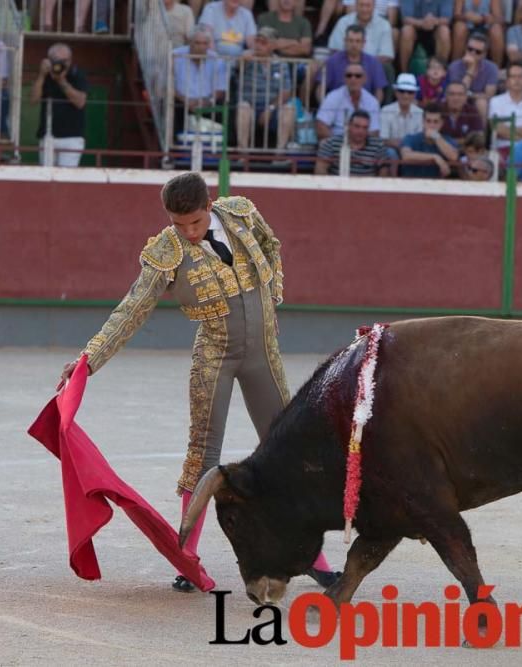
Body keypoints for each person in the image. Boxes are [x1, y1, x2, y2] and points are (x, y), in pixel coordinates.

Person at [57, 172, 340, 593]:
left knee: (288, 453)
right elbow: (132, 309)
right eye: (178, 224)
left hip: (264, 354)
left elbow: (272, 247)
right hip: (214, 359)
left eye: (194, 223)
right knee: (202, 456)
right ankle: (186, 557)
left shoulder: (242, 215)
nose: (188, 233)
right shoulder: (165, 252)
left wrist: (271, 303)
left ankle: (314, 559)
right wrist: (89, 359)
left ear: (209, 206)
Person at [235, 27, 296, 150]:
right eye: (257, 41)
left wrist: (270, 108)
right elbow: (237, 69)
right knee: (243, 108)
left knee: (289, 109)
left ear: (273, 46)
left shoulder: (281, 64)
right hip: (250, 106)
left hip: (272, 109)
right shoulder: (247, 58)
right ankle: (242, 152)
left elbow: (286, 92)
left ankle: (280, 153)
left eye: (263, 42)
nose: (258, 45)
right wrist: (242, 61)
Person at [32, 42, 88, 167]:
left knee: (66, 179)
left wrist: (61, 81)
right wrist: (41, 75)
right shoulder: (46, 75)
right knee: (46, 178)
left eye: (66, 60)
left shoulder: (77, 74)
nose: (63, 64)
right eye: (58, 61)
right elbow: (34, 100)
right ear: (49, 60)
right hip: (48, 135)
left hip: (72, 137)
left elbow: (80, 102)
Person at [170, 26, 228, 136]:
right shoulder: (175, 56)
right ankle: (172, 147)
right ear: (190, 43)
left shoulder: (217, 59)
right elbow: (168, 85)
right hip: (180, 102)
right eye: (197, 43)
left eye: (205, 43)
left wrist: (206, 102)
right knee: (172, 107)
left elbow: (220, 89)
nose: (201, 47)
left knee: (222, 108)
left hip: (208, 103)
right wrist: (185, 100)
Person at [319, 24, 387, 101]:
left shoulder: (374, 63)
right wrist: (325, 107)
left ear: (363, 43)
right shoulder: (332, 61)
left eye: (358, 41)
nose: (354, 45)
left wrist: (374, 108)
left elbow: (379, 91)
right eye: (350, 41)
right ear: (345, 41)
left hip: (365, 107)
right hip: (337, 106)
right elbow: (320, 88)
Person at [315, 61, 382, 137]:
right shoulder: (333, 97)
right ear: (344, 79)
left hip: (363, 143)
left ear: (364, 79)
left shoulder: (372, 101)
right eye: (349, 75)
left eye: (358, 76)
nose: (353, 79)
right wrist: (335, 143)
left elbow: (374, 131)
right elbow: (321, 126)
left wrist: (359, 143)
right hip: (337, 141)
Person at [488, 61, 522, 149]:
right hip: (502, 150)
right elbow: (498, 129)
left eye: (520, 77)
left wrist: (508, 129)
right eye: (513, 77)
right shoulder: (495, 101)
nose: (517, 80)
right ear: (507, 81)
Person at [315, 109, 387, 174]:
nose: (360, 131)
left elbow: (384, 172)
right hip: (338, 186)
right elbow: (320, 169)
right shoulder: (331, 143)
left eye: (365, 128)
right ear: (349, 126)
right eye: (357, 126)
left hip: (368, 187)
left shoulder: (378, 145)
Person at [398, 103, 460, 177]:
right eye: (428, 121)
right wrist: (434, 157)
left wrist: (436, 137)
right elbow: (406, 155)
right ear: (423, 122)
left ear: (441, 123)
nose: (432, 125)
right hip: (411, 183)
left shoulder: (448, 140)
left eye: (436, 122)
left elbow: (453, 156)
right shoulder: (410, 138)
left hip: (437, 185)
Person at [446, 31, 498, 117]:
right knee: (456, 100)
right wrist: (470, 70)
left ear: (484, 54)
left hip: (479, 102)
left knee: (481, 103)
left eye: (478, 52)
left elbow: (489, 95)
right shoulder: (454, 66)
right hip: (456, 101)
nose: (472, 53)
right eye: (470, 49)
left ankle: (481, 130)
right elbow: (457, 92)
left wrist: (470, 95)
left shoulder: (492, 68)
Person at [328, 0, 396, 64]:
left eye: (368, 5)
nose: (364, 9)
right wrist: (352, 62)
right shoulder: (343, 22)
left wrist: (364, 64)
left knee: (387, 68)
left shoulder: (384, 25)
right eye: (361, 5)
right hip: (345, 64)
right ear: (356, 6)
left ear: (374, 6)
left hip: (373, 67)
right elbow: (334, 49)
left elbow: (386, 56)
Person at [399, 0, 454, 72]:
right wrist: (422, 23)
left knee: (444, 31)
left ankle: (440, 71)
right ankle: (404, 73)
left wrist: (434, 21)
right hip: (415, 27)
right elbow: (405, 18)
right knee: (407, 31)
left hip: (436, 28)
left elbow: (447, 19)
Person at [381, 72, 423, 154]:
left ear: (414, 94)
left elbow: (420, 139)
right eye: (402, 91)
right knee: (390, 152)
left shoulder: (420, 113)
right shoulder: (385, 110)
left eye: (410, 92)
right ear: (396, 92)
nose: (405, 95)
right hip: (392, 150)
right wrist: (404, 146)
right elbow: (384, 139)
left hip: (412, 151)